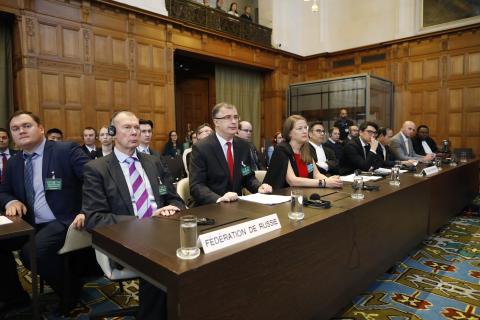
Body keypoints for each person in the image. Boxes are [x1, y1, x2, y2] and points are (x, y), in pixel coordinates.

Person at [83, 111, 185, 320]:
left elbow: (174, 199)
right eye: (127, 127)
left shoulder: (153, 162)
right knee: (163, 265)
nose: (134, 132)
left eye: (137, 127)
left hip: (165, 230)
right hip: (126, 237)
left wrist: (172, 208)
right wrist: (143, 221)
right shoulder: (97, 169)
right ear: (112, 133)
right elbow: (94, 218)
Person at [0, 111, 89, 316]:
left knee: (32, 253)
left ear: (40, 129)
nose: (21, 131)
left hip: (65, 219)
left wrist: (86, 210)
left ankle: (70, 292)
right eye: (15, 128)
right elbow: (3, 191)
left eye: (26, 126)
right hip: (30, 222)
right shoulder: (14, 162)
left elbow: (95, 180)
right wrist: (11, 200)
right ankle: (16, 298)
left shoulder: (65, 150)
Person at [189, 102, 272, 206]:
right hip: (211, 207)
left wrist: (258, 187)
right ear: (216, 122)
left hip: (236, 205)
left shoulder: (243, 146)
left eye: (236, 117)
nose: (233, 121)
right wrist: (219, 199)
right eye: (228, 117)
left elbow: (247, 175)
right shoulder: (201, 148)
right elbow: (197, 186)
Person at [264, 115, 342, 190]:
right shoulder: (281, 149)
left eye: (305, 128)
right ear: (289, 133)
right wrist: (324, 182)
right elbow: (292, 181)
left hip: (302, 194)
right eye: (300, 128)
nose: (304, 131)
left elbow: (316, 174)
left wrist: (331, 181)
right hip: (279, 196)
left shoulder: (305, 148)